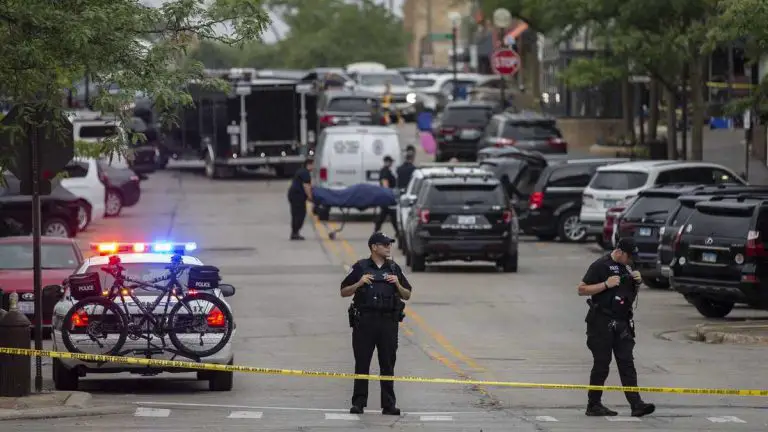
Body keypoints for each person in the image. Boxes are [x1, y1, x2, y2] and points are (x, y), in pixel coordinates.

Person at [577, 238, 656, 418]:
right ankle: (594, 404)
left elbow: (627, 295)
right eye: (628, 256)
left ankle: (636, 404)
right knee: (602, 364)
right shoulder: (600, 265)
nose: (630, 261)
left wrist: (637, 282)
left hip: (622, 322)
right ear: (619, 252)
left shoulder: (627, 267)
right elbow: (581, 289)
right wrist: (605, 284)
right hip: (600, 322)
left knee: (627, 363)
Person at [340, 232, 413, 415]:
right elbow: (343, 291)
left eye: (389, 244)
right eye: (385, 244)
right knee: (362, 363)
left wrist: (397, 284)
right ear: (374, 247)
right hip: (365, 322)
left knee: (388, 363)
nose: (389, 247)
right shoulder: (360, 267)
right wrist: (359, 283)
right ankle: (359, 402)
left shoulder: (394, 268)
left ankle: (388, 404)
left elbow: (407, 294)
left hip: (388, 322)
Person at [286, 158, 314, 240]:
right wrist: (310, 197)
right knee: (300, 214)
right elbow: (306, 186)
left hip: (294, 195)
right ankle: (295, 233)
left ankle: (295, 232)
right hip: (297, 196)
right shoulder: (306, 173)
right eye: (313, 165)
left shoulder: (301, 171)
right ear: (308, 165)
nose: (314, 167)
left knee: (296, 214)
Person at [374, 155, 398, 235]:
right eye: (391, 162)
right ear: (387, 162)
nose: (392, 163)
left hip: (386, 197)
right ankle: (398, 232)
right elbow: (385, 183)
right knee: (391, 216)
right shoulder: (385, 171)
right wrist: (388, 194)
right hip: (386, 197)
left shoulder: (386, 170)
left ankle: (376, 231)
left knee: (384, 216)